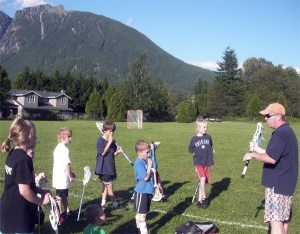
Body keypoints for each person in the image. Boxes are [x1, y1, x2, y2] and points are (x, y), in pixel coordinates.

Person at [243, 103, 298, 234]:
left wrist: (252, 155)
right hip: (286, 183)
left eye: (268, 116)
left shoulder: (280, 133)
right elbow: (275, 154)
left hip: (277, 185)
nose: (265, 119)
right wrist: (257, 148)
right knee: (283, 220)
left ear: (278, 116)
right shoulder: (287, 131)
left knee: (276, 222)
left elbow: (271, 159)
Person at [0, 116, 50, 233]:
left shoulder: (13, 153)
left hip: (8, 208)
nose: (36, 139)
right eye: (35, 136)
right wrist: (41, 201)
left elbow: (20, 183)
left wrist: (40, 190)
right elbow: (24, 191)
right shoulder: (24, 159)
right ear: (28, 137)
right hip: (19, 213)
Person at [95, 120, 122, 210]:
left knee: (105, 186)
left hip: (110, 166)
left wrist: (117, 152)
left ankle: (103, 204)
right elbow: (102, 153)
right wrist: (109, 142)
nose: (112, 133)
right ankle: (115, 204)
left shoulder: (112, 141)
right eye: (110, 131)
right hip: (103, 168)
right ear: (105, 130)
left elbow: (111, 154)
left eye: (113, 131)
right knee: (109, 186)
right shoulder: (100, 140)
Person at [188, 118, 214, 209]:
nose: (205, 129)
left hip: (206, 163)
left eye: (206, 127)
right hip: (198, 163)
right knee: (202, 178)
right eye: (203, 127)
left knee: (201, 181)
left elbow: (210, 146)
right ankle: (204, 198)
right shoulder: (194, 139)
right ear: (198, 128)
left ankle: (199, 201)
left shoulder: (208, 137)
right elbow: (191, 150)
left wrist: (212, 151)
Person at [52, 127, 77, 221]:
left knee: (64, 195)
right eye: (69, 137)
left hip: (59, 176)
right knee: (59, 196)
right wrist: (70, 175)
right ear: (62, 137)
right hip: (61, 178)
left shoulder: (57, 148)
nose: (70, 139)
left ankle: (67, 211)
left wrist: (70, 173)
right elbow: (67, 164)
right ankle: (60, 214)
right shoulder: (64, 150)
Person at [133, 140, 154, 234]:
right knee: (143, 214)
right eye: (147, 152)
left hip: (147, 190)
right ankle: (143, 231)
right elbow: (145, 178)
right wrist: (149, 166)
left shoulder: (143, 161)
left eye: (149, 151)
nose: (148, 154)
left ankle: (138, 229)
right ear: (139, 152)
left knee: (141, 212)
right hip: (142, 191)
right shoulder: (139, 163)